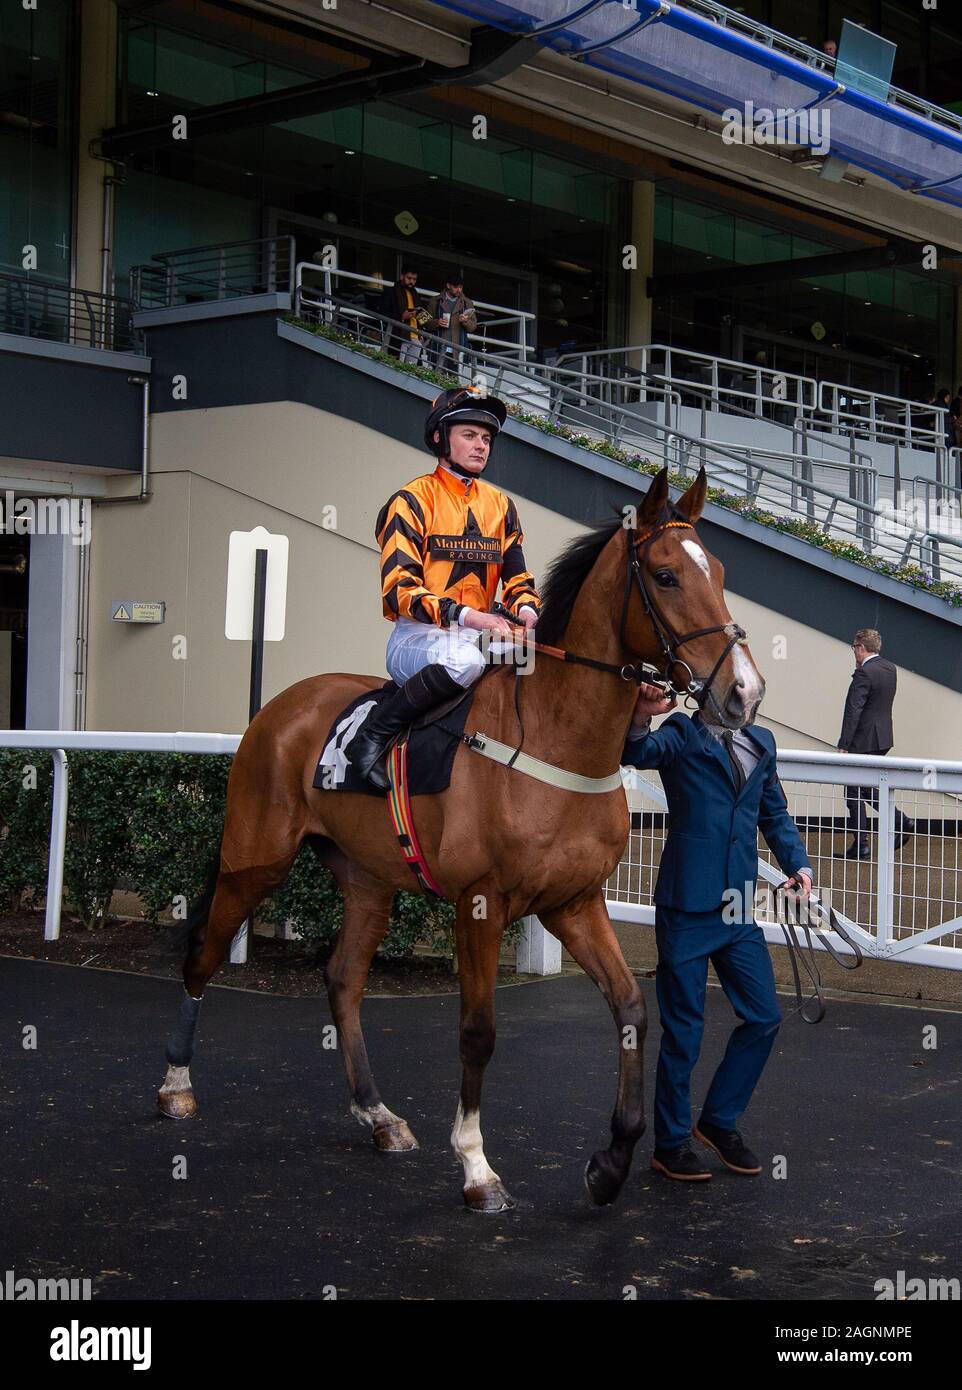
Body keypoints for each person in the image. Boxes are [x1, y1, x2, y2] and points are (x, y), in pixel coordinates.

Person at [622, 684, 813, 1182]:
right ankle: (671, 1143)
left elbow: (773, 813)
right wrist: (640, 716)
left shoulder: (763, 744)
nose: (738, 700)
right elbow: (637, 751)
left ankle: (719, 1120)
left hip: (737, 908)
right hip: (686, 904)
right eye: (728, 691)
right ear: (704, 695)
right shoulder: (682, 733)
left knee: (764, 1017)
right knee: (684, 1030)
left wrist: (798, 864)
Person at [347, 387, 541, 788]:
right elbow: (399, 590)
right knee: (465, 662)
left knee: (534, 660)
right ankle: (371, 736)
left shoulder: (501, 505)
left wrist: (527, 612)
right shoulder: (411, 500)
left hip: (478, 632)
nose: (480, 446)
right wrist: (471, 616)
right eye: (469, 434)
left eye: (486, 439)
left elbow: (518, 577)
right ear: (440, 437)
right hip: (418, 638)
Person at [836, 629, 914, 861]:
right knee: (866, 789)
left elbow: (854, 710)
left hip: (863, 739)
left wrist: (844, 744)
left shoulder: (865, 673)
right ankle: (900, 821)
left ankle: (861, 844)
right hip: (882, 738)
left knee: (853, 792)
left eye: (854, 648)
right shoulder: (890, 669)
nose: (854, 653)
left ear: (860, 647)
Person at [425, 271, 477, 376]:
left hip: (458, 350)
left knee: (455, 382)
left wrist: (465, 321)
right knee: (438, 380)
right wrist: (437, 322)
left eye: (461, 287)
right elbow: (425, 323)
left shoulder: (467, 303)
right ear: (448, 285)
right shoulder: (435, 301)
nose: (459, 290)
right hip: (439, 348)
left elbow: (473, 327)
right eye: (456, 287)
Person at [378, 264, 428, 364]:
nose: (411, 281)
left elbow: (424, 317)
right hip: (399, 336)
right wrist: (401, 317)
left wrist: (427, 327)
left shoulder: (416, 295)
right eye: (409, 278)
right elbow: (382, 312)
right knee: (396, 367)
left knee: (411, 372)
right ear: (402, 276)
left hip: (415, 338)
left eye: (414, 279)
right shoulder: (391, 292)